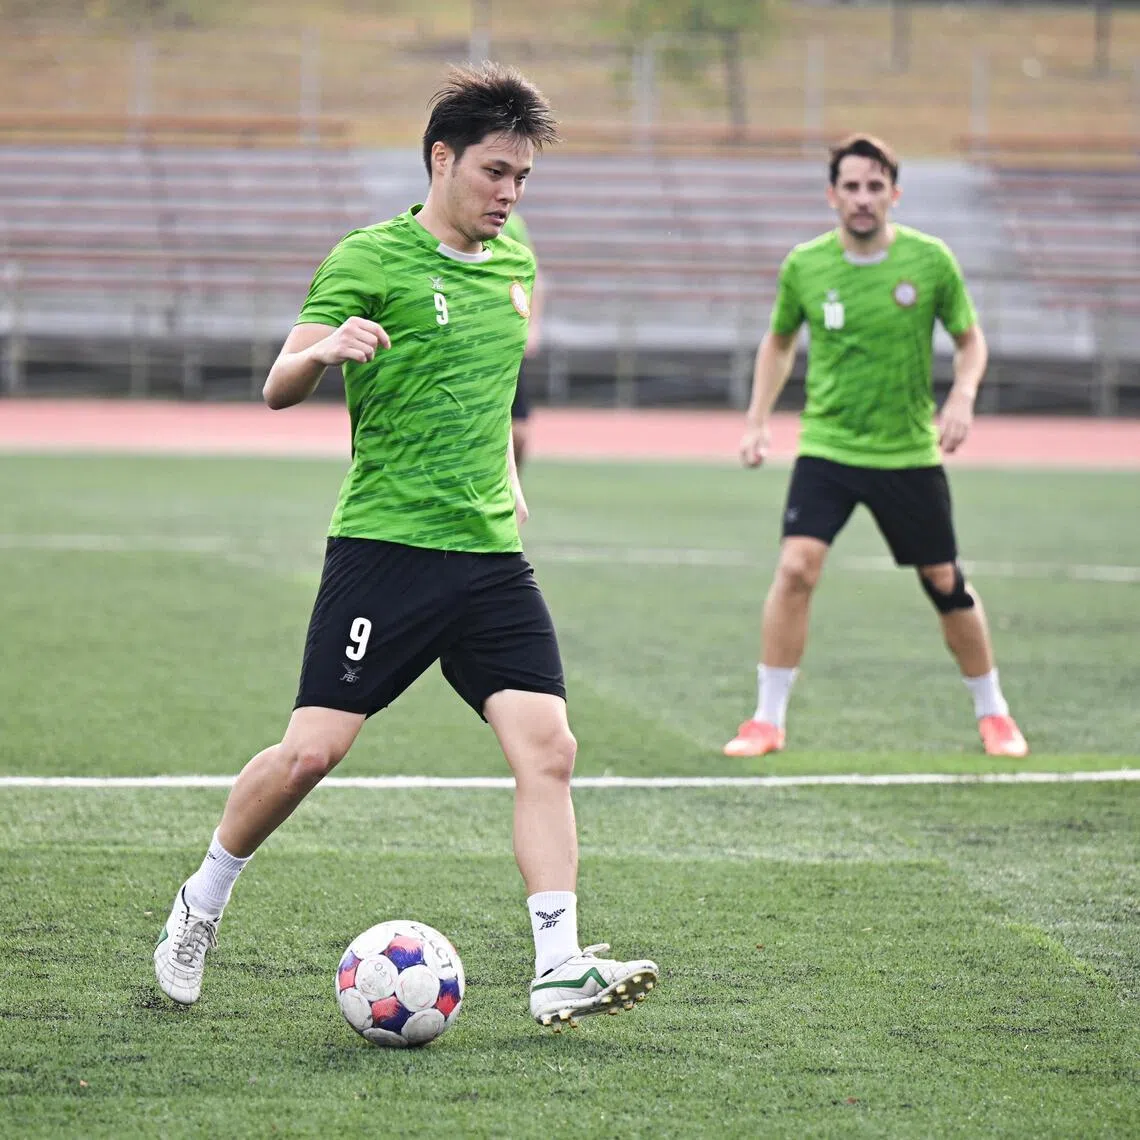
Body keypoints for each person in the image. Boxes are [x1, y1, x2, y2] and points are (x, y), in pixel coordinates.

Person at [154, 63, 658, 1030]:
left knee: (549, 748)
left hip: (490, 559)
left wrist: (509, 488)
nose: (509, 195)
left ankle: (556, 964)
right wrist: (322, 351)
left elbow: (494, 395)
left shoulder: (516, 268)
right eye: (496, 173)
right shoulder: (368, 258)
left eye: (523, 179)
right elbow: (276, 384)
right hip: (385, 550)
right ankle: (201, 902)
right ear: (442, 158)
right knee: (311, 754)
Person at [723, 133, 1028, 761]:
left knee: (944, 580)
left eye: (874, 186)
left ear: (894, 192)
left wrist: (963, 396)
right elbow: (778, 343)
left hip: (907, 453)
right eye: (851, 187)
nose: (863, 199)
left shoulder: (930, 261)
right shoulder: (805, 265)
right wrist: (757, 419)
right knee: (795, 568)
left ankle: (993, 711)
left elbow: (971, 342)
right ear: (833, 196)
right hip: (829, 447)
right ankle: (766, 719)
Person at [499, 210, 544, 474]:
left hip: (508, 344)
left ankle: (511, 486)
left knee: (520, 432)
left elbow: (533, 278)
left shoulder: (512, 223)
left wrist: (532, 327)